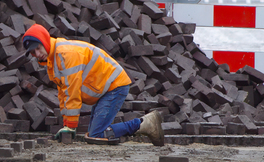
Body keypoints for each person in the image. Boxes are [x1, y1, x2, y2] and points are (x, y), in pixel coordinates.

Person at [22, 23, 165, 146]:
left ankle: (144, 124)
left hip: (114, 86)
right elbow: (63, 93)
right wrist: (67, 125)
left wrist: (71, 126)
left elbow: (72, 91)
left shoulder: (65, 55)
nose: (38, 53)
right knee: (92, 134)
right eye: (33, 52)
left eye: (38, 48)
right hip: (104, 90)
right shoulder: (53, 61)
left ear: (45, 41)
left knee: (97, 135)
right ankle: (142, 125)